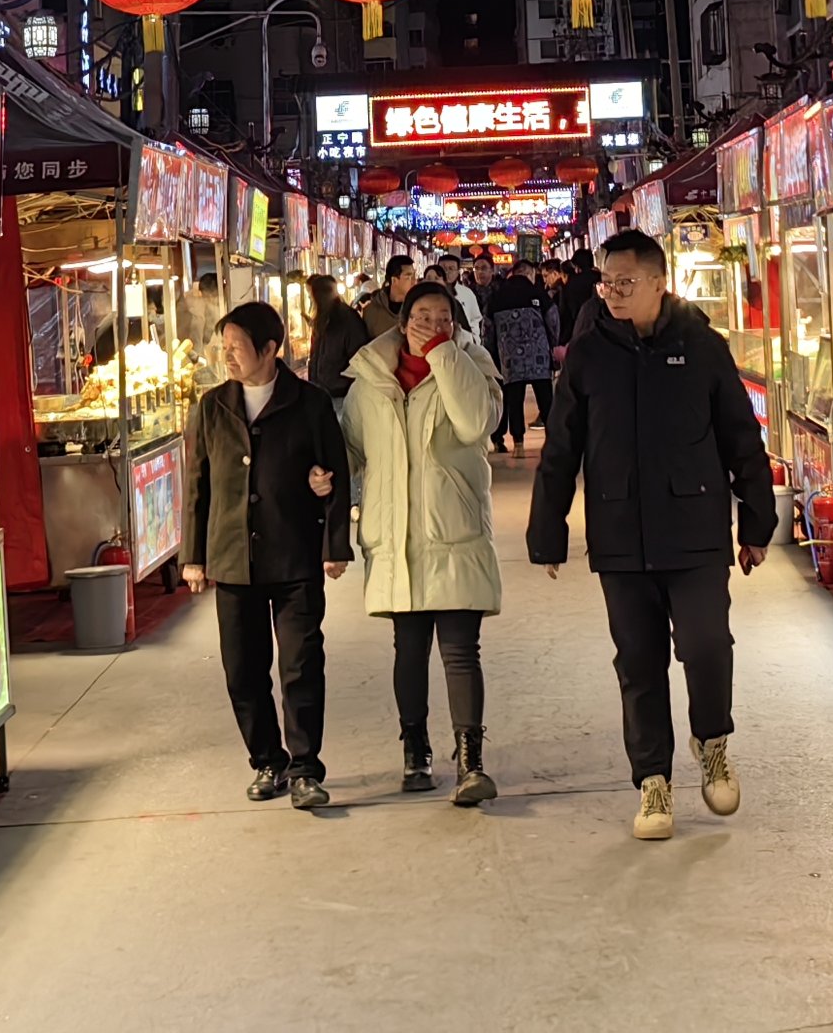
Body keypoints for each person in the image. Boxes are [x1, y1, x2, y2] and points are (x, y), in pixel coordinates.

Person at [531, 229, 775, 842]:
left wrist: (757, 522)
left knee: (708, 644)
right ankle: (653, 783)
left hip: (694, 528)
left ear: (658, 282)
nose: (612, 292)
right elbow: (561, 449)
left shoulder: (702, 346)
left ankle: (712, 741)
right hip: (619, 534)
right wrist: (548, 531)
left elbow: (741, 439)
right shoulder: (589, 355)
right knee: (638, 663)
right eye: (605, 282)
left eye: (625, 282)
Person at [340, 280, 505, 805]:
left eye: (442, 315)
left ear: (455, 321)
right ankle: (415, 752)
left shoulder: (473, 365)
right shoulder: (370, 376)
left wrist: (445, 357)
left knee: (460, 651)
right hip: (395, 533)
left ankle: (471, 761)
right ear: (401, 317)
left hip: (453, 528)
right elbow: (352, 447)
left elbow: (476, 422)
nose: (431, 322)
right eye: (421, 314)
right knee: (407, 652)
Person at [183, 301, 352, 810]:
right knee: (243, 668)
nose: (227, 356)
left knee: (301, 664)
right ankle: (267, 761)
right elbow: (197, 485)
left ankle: (304, 767)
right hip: (233, 559)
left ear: (270, 349)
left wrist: (334, 545)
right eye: (224, 346)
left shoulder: (310, 402)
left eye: (235, 347)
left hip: (296, 554)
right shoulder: (212, 406)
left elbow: (337, 474)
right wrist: (194, 556)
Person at [485, 260, 555, 452]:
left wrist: (492, 353)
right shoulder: (538, 294)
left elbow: (488, 329)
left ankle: (518, 444)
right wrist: (552, 345)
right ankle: (553, 441)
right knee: (546, 398)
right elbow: (553, 319)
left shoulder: (497, 297)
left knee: (514, 398)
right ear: (528, 274)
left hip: (509, 359)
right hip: (539, 357)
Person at [305, 273, 371, 401]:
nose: (311, 301)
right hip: (322, 392)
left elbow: (359, 358)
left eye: (311, 297)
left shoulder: (348, 319)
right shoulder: (322, 320)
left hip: (342, 395)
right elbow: (315, 356)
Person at [360, 256, 417, 340]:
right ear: (394, 280)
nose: (414, 281)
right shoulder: (371, 311)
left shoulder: (416, 309)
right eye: (408, 277)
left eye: (414, 276)